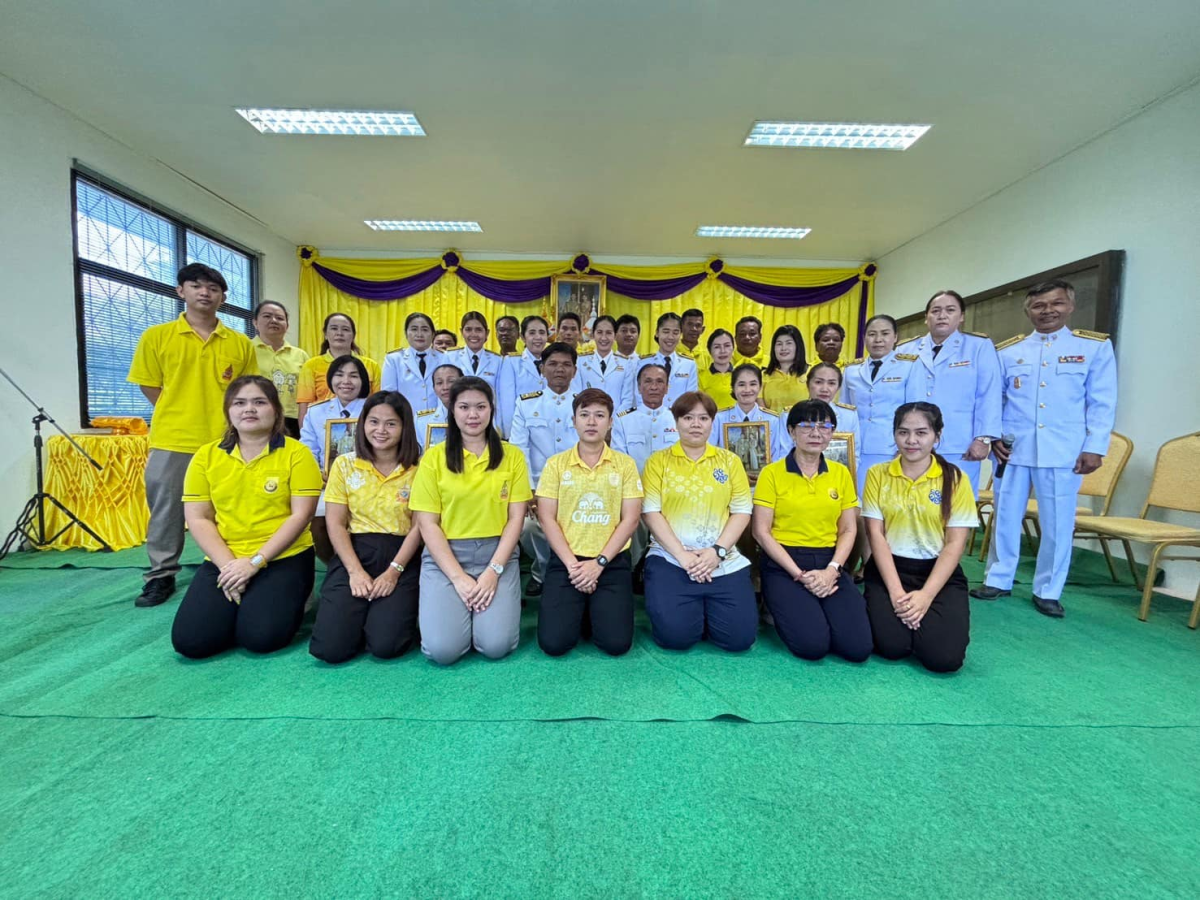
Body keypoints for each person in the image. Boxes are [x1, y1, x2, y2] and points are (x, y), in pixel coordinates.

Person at [970, 280, 1118, 617]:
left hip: (1063, 449)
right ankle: (999, 578)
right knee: (1005, 516)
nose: (1048, 311)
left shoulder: (1093, 348)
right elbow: (996, 399)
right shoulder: (1009, 352)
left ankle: (1048, 589)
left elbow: (1102, 402)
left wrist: (1095, 445)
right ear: (1028, 310)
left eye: (1056, 303)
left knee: (1057, 522)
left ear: (1070, 306)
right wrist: (993, 439)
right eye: (1039, 305)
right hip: (1013, 447)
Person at [126, 263, 257, 608]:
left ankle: (231, 563)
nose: (205, 293)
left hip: (225, 440)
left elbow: (246, 391)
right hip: (173, 439)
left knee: (232, 506)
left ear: (223, 297)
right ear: (180, 291)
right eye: (196, 286)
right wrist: (177, 411)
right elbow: (149, 385)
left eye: (213, 289)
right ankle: (160, 575)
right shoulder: (157, 337)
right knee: (166, 510)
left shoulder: (239, 343)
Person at [170, 376, 322, 658]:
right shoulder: (206, 456)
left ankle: (298, 597)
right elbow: (199, 518)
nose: (248, 409)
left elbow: (301, 516)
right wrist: (231, 566)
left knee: (261, 638)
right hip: (225, 558)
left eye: (259, 402)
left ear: (275, 409)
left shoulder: (297, 454)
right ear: (229, 411)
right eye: (239, 403)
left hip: (282, 556)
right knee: (191, 642)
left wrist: (254, 563)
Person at [409, 377, 531, 664]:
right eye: (464, 407)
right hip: (446, 558)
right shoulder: (434, 458)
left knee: (496, 646)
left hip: (497, 555)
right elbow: (428, 523)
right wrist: (458, 578)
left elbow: (516, 519)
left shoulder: (511, 456)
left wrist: (493, 572)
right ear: (453, 411)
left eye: (480, 406)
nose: (472, 415)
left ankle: (481, 616)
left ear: (491, 409)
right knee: (443, 651)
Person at [862, 402, 977, 672]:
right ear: (894, 434)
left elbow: (954, 544)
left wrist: (925, 596)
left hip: (937, 573)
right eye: (903, 432)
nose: (911, 441)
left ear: (937, 436)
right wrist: (896, 592)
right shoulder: (877, 474)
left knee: (944, 659)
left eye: (921, 433)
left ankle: (925, 620)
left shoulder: (956, 479)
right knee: (890, 647)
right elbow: (876, 536)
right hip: (889, 569)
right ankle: (907, 620)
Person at [309, 391, 423, 663]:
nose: (381, 431)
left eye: (391, 423)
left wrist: (393, 573)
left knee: (387, 645)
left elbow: (420, 526)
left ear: (405, 428)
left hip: (402, 555)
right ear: (362, 425)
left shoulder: (420, 468)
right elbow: (335, 523)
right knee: (331, 649)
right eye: (373, 422)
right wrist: (355, 572)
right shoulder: (344, 464)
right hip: (355, 550)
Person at [753, 399, 870, 662]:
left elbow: (849, 530)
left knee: (858, 648)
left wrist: (832, 570)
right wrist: (800, 575)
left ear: (832, 432)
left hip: (830, 562)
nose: (816, 433)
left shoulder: (840, 473)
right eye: (806, 426)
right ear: (792, 431)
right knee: (812, 646)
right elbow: (761, 532)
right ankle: (778, 605)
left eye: (824, 426)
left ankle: (817, 603)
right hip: (785, 564)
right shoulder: (772, 473)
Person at [641, 391, 757, 652]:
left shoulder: (729, 461)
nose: (695, 424)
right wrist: (683, 556)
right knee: (676, 638)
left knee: (739, 640)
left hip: (721, 557)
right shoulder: (658, 462)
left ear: (712, 422)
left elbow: (741, 511)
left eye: (703, 418)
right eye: (688, 417)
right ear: (676, 421)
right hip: (671, 558)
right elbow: (651, 512)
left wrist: (717, 552)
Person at [536, 388, 644, 656]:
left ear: (610, 422)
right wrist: (574, 567)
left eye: (599, 415)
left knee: (616, 645)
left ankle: (591, 607)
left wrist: (599, 565)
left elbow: (630, 519)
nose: (592, 422)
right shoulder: (555, 465)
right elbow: (546, 518)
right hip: (566, 562)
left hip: (611, 562)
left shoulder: (625, 465)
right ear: (573, 421)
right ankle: (583, 606)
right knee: (554, 644)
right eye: (584, 415)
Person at [901, 290, 1001, 494]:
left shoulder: (978, 347)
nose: (942, 315)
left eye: (950, 310)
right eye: (935, 311)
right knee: (914, 505)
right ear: (926, 317)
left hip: (960, 444)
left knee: (957, 508)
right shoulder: (906, 350)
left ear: (961, 316)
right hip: (914, 443)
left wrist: (983, 439)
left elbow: (989, 394)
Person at [510, 342, 578, 598]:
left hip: (578, 486)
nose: (559, 370)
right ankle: (542, 571)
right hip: (536, 487)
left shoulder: (583, 403)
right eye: (552, 364)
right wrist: (528, 489)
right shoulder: (526, 404)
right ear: (542, 369)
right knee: (527, 528)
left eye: (566, 365)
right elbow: (519, 449)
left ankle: (569, 569)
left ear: (574, 370)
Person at [299, 355, 371, 561]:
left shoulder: (373, 408)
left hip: (368, 480)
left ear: (363, 381)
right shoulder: (316, 412)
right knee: (317, 520)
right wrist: (316, 473)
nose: (346, 381)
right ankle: (334, 563)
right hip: (328, 481)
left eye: (353, 376)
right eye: (339, 375)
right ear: (331, 379)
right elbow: (308, 450)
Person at [843, 314, 917, 498]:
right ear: (864, 338)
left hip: (892, 447)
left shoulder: (909, 366)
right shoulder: (851, 370)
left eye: (884, 334)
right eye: (872, 334)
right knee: (858, 502)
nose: (878, 340)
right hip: (857, 448)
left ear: (895, 337)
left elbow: (915, 412)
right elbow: (845, 411)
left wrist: (906, 447)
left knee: (890, 501)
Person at [296, 313, 381, 427]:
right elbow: (304, 404)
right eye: (334, 328)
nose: (339, 333)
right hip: (322, 426)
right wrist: (305, 433)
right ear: (326, 334)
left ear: (353, 335)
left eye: (345, 329)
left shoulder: (371, 365)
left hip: (362, 425)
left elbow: (379, 403)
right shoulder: (311, 366)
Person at [779, 362, 860, 462]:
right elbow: (784, 454)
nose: (824, 389)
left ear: (838, 387)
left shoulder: (849, 415)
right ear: (808, 384)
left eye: (831, 383)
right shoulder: (788, 415)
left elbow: (854, 456)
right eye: (818, 382)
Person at [251, 301, 309, 437]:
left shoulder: (301, 355)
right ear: (255, 322)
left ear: (287, 325)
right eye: (267, 316)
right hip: (255, 416)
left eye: (280, 318)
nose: (273, 321)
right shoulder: (246, 350)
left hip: (292, 419)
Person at [381, 312, 444, 420]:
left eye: (425, 329)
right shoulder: (394, 359)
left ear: (433, 334)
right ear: (406, 333)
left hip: (438, 422)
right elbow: (389, 395)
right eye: (414, 329)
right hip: (406, 420)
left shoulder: (444, 357)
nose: (419, 334)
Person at [497, 314, 549, 435]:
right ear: (523, 337)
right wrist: (510, 433)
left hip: (549, 430)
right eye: (532, 333)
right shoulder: (511, 362)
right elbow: (507, 402)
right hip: (522, 429)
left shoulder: (553, 363)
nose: (538, 337)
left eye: (542, 332)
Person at [713, 364, 777, 462]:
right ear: (733, 388)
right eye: (741, 385)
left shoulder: (773, 420)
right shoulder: (719, 418)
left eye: (753, 384)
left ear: (760, 387)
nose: (747, 390)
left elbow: (778, 456)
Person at [572, 314, 635, 411]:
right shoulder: (580, 361)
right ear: (593, 335)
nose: (604, 338)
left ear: (615, 335)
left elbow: (627, 400)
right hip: (587, 421)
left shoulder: (626, 364)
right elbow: (576, 394)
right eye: (599, 332)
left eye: (609, 333)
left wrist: (612, 421)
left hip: (616, 422)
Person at [638, 312, 699, 407]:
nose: (670, 337)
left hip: (678, 418)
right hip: (650, 418)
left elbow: (691, 399)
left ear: (680, 335)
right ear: (657, 333)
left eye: (675, 332)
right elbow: (638, 395)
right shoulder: (643, 362)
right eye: (666, 332)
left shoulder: (689, 364)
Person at [446, 311, 502, 393]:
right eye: (468, 330)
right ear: (462, 332)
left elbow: (500, 393)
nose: (473, 334)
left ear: (487, 333)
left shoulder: (497, 360)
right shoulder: (450, 357)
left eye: (478, 330)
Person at [761, 324, 810, 414]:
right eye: (779, 344)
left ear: (798, 346)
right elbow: (761, 410)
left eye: (789, 343)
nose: (783, 348)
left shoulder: (810, 373)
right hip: (772, 426)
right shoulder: (763, 375)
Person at [415, 363, 462, 449]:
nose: (445, 387)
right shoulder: (421, 421)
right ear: (434, 388)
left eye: (451, 381)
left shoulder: (475, 416)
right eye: (439, 383)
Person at [697, 328, 737, 409]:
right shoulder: (700, 377)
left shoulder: (741, 375)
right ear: (709, 350)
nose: (722, 351)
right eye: (717, 347)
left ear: (733, 348)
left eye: (727, 346)